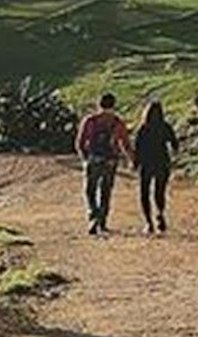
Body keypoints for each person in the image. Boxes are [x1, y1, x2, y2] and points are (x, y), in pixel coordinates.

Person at [76, 92, 133, 235]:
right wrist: (131, 159)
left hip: (94, 158)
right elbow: (125, 144)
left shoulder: (90, 121)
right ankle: (102, 221)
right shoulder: (117, 122)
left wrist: (85, 158)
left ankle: (93, 215)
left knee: (90, 190)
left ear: (98, 104)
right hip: (110, 160)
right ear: (114, 105)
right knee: (106, 191)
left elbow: (80, 142)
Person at [133, 99, 179, 234]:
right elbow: (175, 144)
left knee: (145, 193)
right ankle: (160, 213)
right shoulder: (165, 126)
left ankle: (148, 223)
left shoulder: (143, 128)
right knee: (160, 191)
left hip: (146, 163)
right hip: (162, 162)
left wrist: (135, 163)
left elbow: (137, 147)